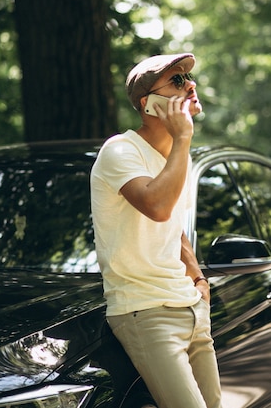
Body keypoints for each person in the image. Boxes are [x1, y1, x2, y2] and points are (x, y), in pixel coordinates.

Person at [90, 53, 222, 408]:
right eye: (177, 81)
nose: (190, 85)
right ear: (149, 104)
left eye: (188, 78)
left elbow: (173, 226)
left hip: (190, 305)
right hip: (145, 312)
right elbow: (157, 206)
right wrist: (183, 138)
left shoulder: (178, 157)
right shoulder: (120, 150)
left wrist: (198, 279)